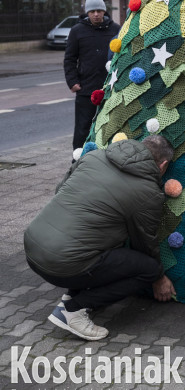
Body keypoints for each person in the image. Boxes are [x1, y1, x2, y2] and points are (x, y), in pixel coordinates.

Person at [24, 135, 175, 340]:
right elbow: (145, 241)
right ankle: (74, 311)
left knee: (93, 242)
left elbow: (61, 189)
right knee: (147, 269)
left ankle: (73, 294)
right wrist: (159, 277)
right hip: (62, 263)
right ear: (163, 165)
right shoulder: (148, 191)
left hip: (33, 245)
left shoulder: (93, 156)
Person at [64, 0, 120, 150]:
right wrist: (73, 82)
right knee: (83, 127)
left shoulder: (115, 29)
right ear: (87, 13)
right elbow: (69, 59)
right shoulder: (77, 31)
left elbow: (122, 55)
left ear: (104, 11)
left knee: (110, 125)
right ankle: (78, 161)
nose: (96, 14)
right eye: (92, 11)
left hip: (110, 87)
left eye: (99, 11)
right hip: (86, 89)